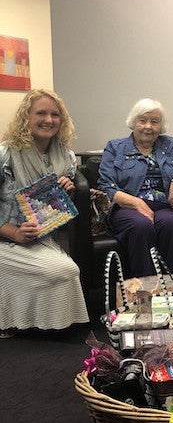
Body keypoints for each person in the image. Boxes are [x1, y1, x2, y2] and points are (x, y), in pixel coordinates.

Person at [0, 89, 89, 339]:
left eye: (55, 114)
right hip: (6, 239)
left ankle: (25, 321)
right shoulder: (5, 155)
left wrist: (67, 192)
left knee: (67, 272)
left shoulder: (64, 156)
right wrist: (14, 233)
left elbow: (53, 209)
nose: (48, 120)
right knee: (64, 271)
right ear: (26, 117)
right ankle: (9, 319)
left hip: (40, 237)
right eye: (41, 113)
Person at [98, 98, 173, 277]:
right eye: (143, 120)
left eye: (154, 121)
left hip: (164, 207)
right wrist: (137, 204)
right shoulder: (115, 147)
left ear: (160, 126)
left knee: (172, 223)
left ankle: (170, 287)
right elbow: (106, 185)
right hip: (127, 208)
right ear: (133, 122)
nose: (148, 126)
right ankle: (145, 290)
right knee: (142, 226)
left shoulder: (168, 144)